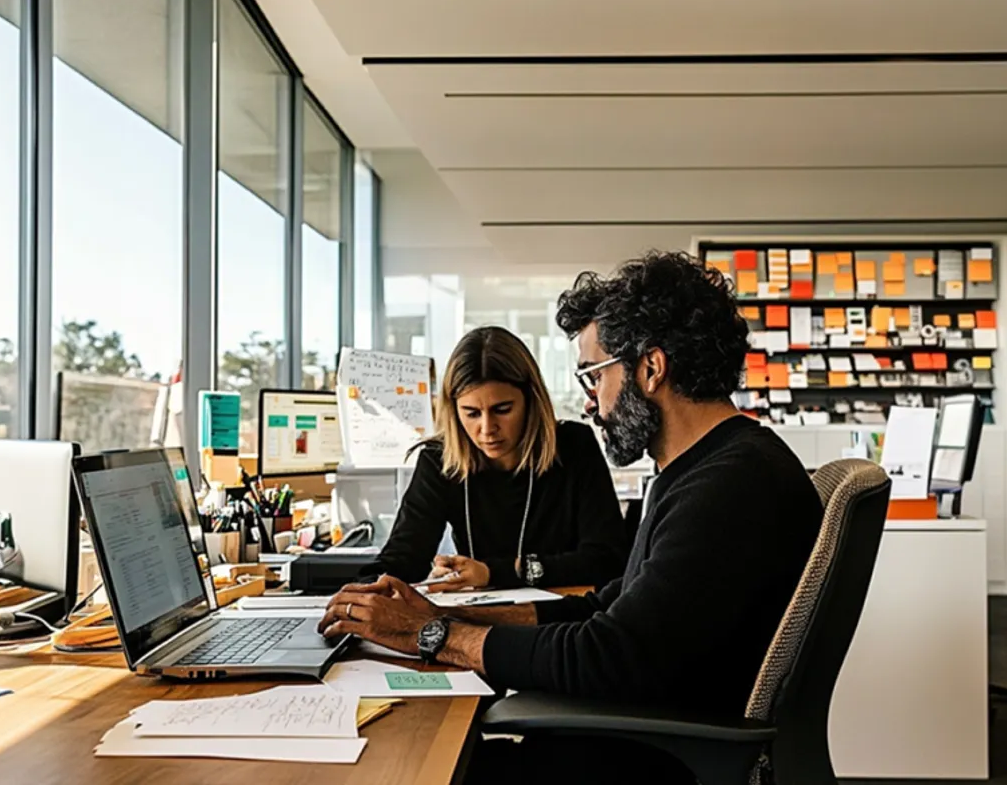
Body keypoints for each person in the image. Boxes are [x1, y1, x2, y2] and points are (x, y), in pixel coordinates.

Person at [320, 252, 825, 781]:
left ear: (650, 368)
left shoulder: (730, 485)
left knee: (403, 766)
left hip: (655, 753)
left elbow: (606, 655)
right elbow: (607, 607)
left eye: (595, 376)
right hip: (643, 730)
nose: (591, 404)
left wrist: (436, 635)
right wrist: (446, 619)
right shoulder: (709, 469)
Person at [363, 325, 628, 591]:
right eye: (472, 413)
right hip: (482, 617)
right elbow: (403, 558)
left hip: (566, 619)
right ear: (454, 412)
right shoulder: (438, 461)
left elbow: (607, 559)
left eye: (502, 410)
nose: (487, 428)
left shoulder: (574, 446)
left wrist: (493, 573)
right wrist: (364, 589)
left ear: (530, 401)